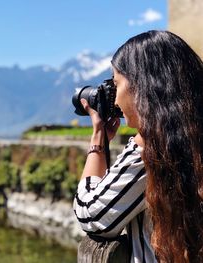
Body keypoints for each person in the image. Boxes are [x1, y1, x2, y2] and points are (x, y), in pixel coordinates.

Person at [73, 30, 203, 263]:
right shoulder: (192, 140)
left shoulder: (151, 150)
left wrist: (97, 139)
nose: (114, 101)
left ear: (143, 87)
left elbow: (91, 214)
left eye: (116, 84)